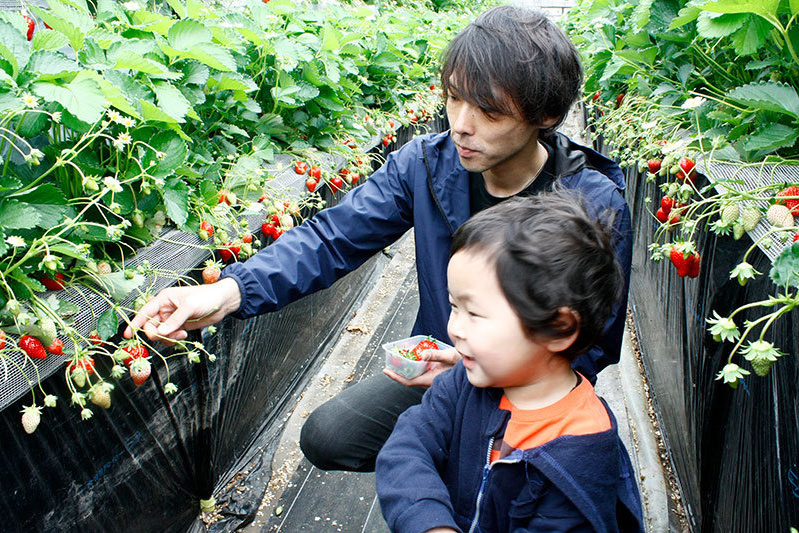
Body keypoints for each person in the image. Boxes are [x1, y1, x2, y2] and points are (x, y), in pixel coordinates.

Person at [125, 6, 632, 473]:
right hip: (440, 365)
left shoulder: (590, 204)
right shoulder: (426, 165)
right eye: (454, 98)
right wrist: (227, 291)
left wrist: (488, 369)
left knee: (508, 487)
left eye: (489, 111)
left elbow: (594, 343)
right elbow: (332, 237)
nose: (460, 125)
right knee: (328, 437)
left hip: (536, 388)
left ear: (545, 115)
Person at [375, 192, 643, 532]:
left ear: (558, 328)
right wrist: (431, 524)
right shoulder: (465, 383)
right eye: (454, 306)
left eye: (474, 313)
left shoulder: (580, 457)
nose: (453, 328)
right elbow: (407, 445)